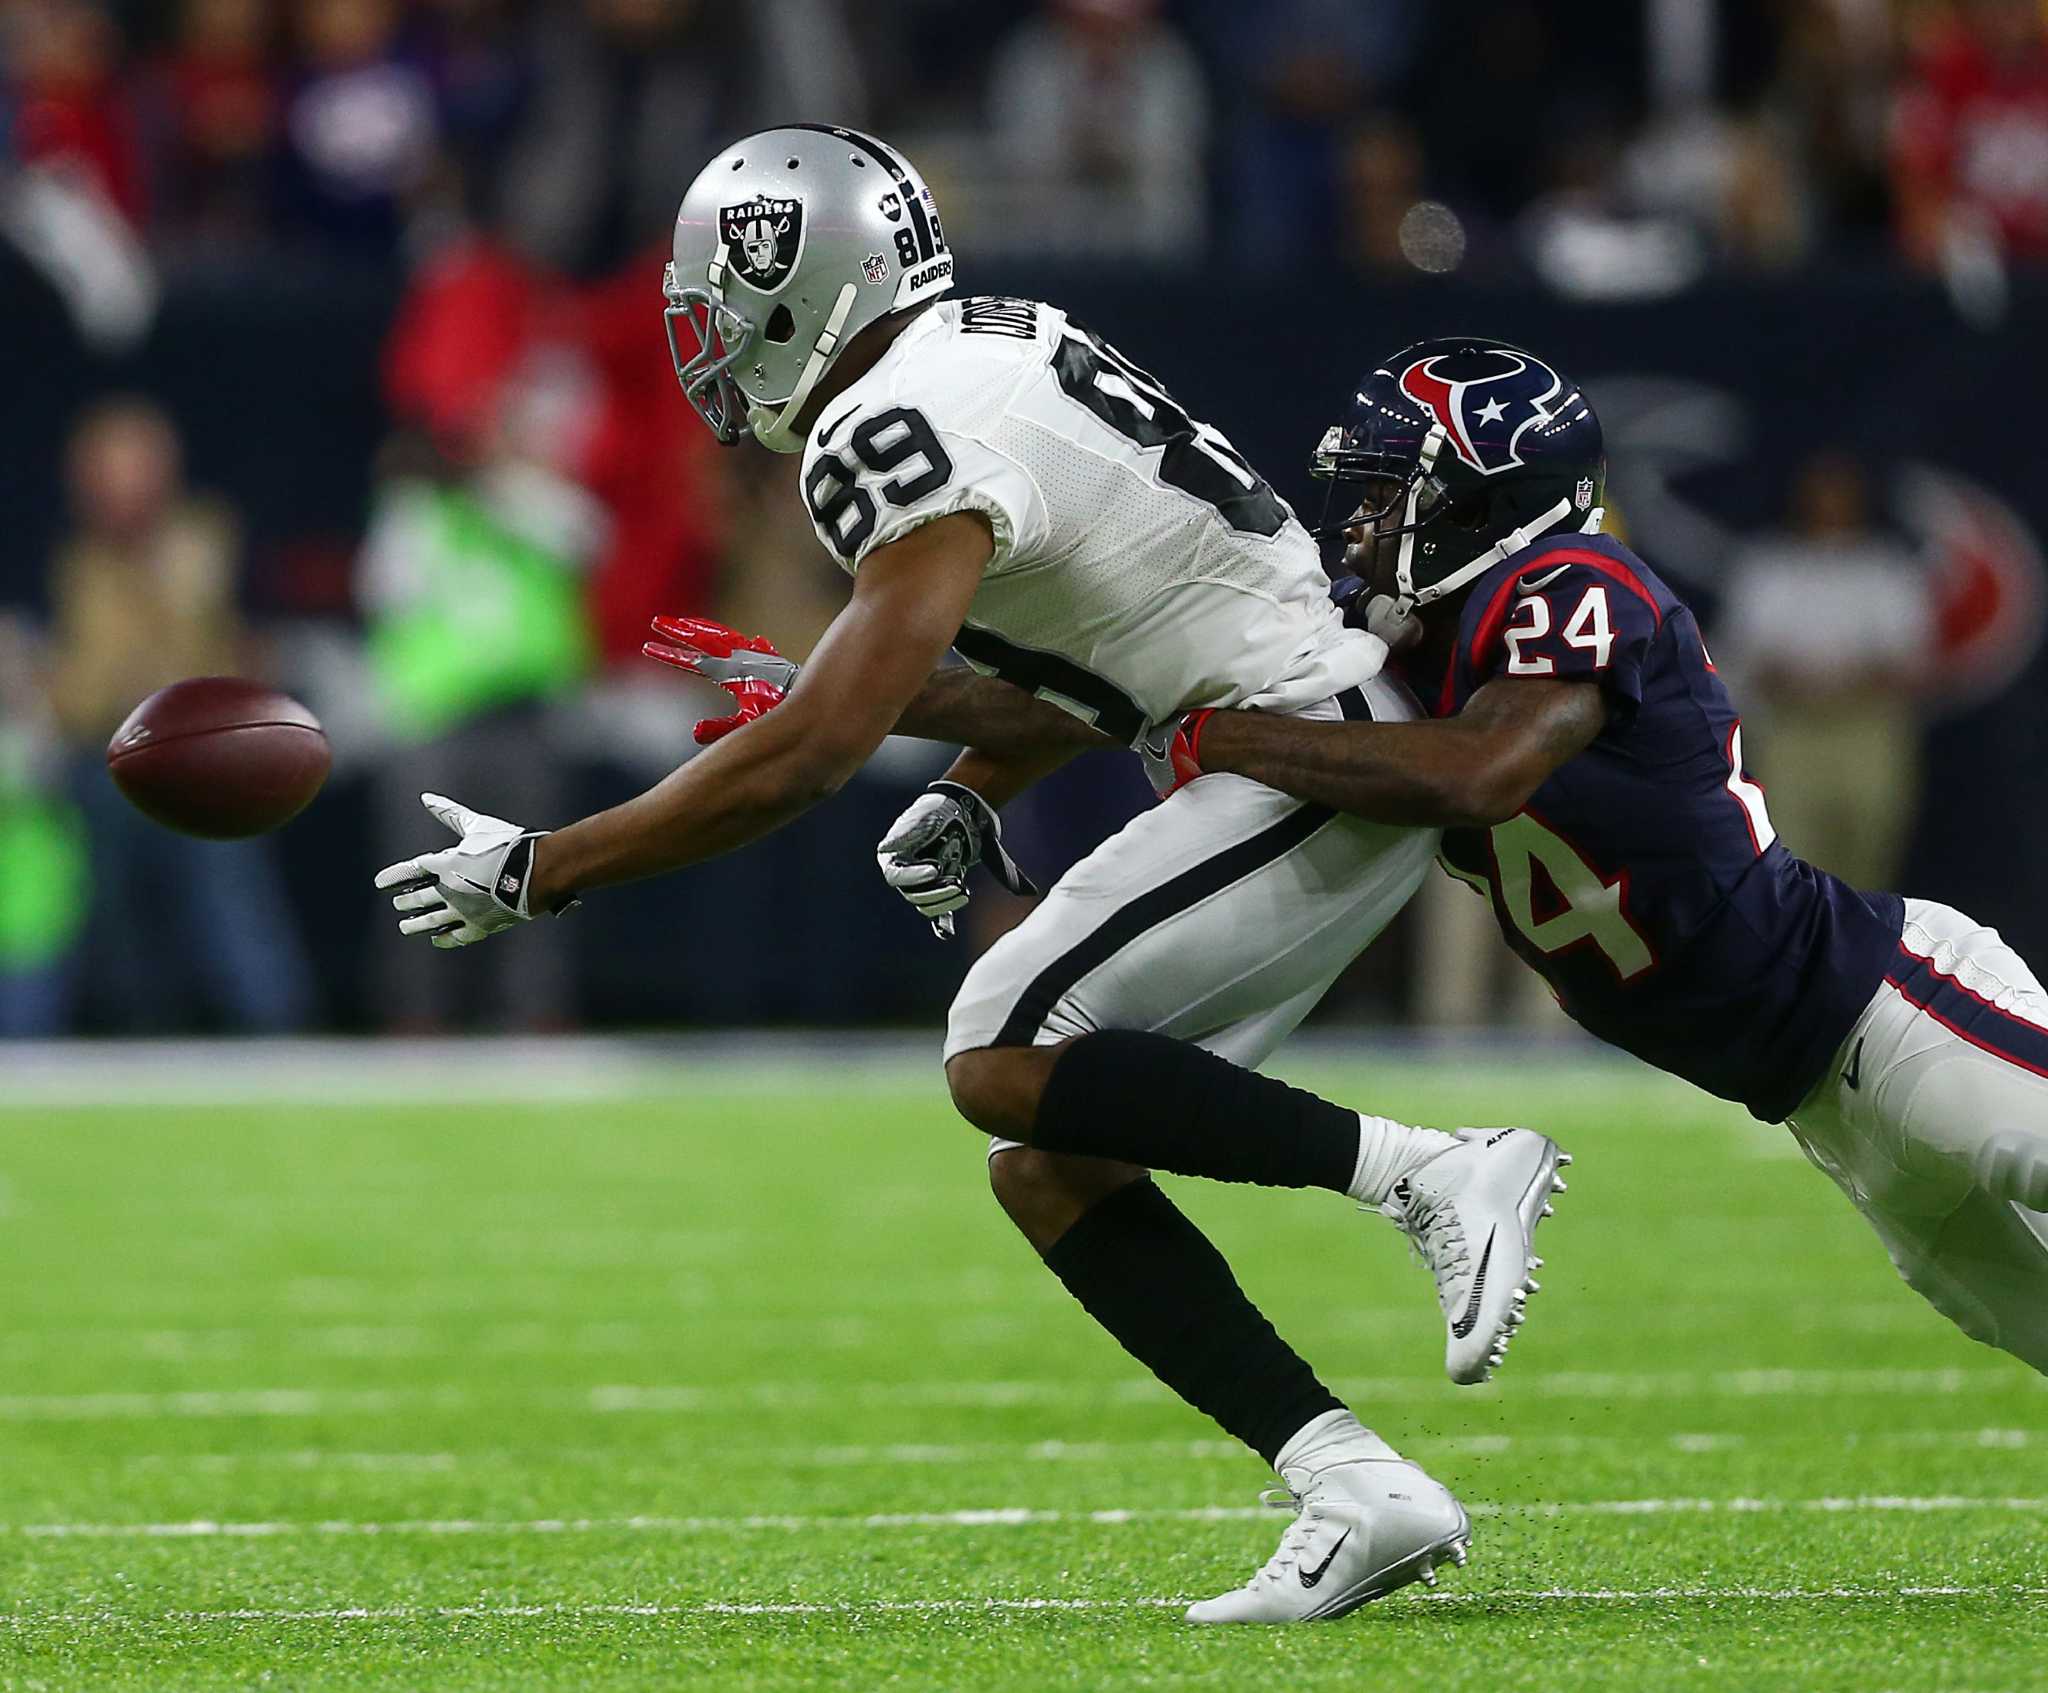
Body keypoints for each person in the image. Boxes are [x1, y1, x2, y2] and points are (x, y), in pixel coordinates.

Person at [375, 126, 1572, 1625]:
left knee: (997, 1050)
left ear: (801, 279)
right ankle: (1351, 1482)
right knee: (1049, 1157)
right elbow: (1113, 656)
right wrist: (969, 779)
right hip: (1272, 741)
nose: (701, 329)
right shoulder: (985, 347)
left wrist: (547, 868)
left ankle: (1433, 1168)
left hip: (1297, 754)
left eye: (716, 293)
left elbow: (817, 747)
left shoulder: (886, 423)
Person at [1150, 337, 2048, 1380]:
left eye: (1395, 490)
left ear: (1480, 500)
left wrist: (1217, 737)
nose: (1364, 519)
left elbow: (1478, 772)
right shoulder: (1405, 644)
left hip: (1891, 1013)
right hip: (1817, 1106)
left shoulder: (1571, 580)